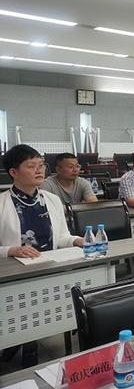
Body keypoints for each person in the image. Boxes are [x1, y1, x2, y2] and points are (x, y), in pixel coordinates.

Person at [0, 145, 84, 367]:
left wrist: (78, 240)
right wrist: (11, 250)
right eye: (31, 166)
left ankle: (26, 342)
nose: (39, 171)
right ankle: (25, 345)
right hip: (14, 274)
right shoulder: (1, 203)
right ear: (13, 172)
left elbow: (62, 237)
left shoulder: (52, 199)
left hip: (50, 269)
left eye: (41, 165)